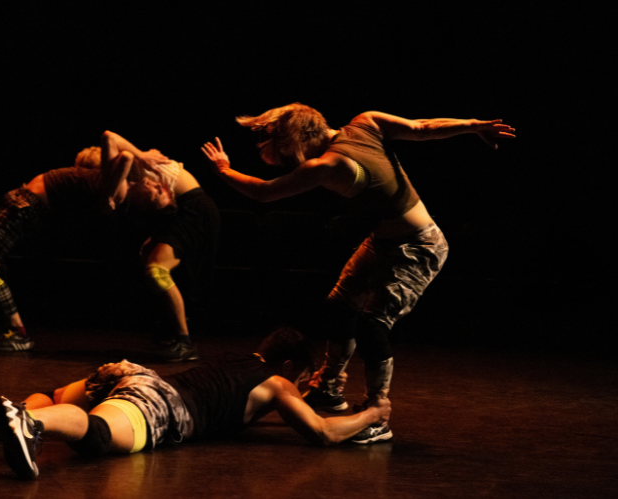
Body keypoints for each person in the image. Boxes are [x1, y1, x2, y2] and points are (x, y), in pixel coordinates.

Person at [201, 103, 515, 436]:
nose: (287, 159)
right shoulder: (366, 122)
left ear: (295, 140)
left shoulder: (328, 164)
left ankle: (377, 414)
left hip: (419, 247)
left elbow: (263, 192)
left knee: (371, 325)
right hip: (381, 243)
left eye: (283, 150)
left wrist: (222, 169)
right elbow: (422, 127)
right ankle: (329, 389)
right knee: (339, 307)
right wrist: (472, 124)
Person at [0, 328, 391, 479]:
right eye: (299, 377)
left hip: (135, 374)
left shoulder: (236, 360)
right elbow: (322, 432)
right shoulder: (277, 384)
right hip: (162, 404)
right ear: (289, 366)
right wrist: (372, 412)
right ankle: (29, 424)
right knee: (96, 436)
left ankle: (14, 414)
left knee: (55, 396)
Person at [0, 139, 172, 351]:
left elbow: (124, 153)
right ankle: (0, 325)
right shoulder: (113, 183)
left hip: (23, 207)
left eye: (157, 191)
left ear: (144, 201)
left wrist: (141, 155)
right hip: (25, 206)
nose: (155, 184)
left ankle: (17, 332)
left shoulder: (117, 192)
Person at [100, 131, 220, 362]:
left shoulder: (116, 176)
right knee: (156, 264)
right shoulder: (124, 175)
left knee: (156, 270)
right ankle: (171, 333)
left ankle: (184, 342)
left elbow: (110, 138)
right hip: (183, 210)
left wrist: (141, 155)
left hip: (194, 208)